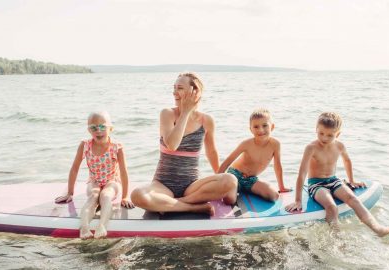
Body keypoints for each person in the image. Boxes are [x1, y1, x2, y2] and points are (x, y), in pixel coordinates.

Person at [130, 72, 238, 215]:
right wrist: (185, 112)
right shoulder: (167, 114)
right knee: (137, 195)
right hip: (162, 185)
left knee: (230, 180)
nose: (174, 92)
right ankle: (193, 207)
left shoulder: (207, 120)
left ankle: (177, 203)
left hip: (191, 186)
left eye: (179, 88)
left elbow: (211, 152)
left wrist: (219, 181)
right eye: (174, 88)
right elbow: (172, 145)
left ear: (195, 91)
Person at [284, 112, 389, 236]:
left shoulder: (340, 146)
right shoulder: (311, 148)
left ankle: (377, 228)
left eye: (330, 135)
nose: (324, 138)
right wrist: (298, 200)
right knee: (331, 207)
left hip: (334, 180)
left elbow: (347, 161)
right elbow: (302, 173)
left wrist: (352, 181)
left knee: (353, 199)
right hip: (316, 184)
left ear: (338, 134)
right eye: (321, 133)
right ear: (316, 129)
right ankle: (337, 238)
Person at [55, 111, 134, 239]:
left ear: (111, 128)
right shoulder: (85, 145)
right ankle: (84, 228)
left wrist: (125, 197)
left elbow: (124, 172)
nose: (98, 130)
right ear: (89, 130)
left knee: (106, 195)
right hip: (94, 180)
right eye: (93, 127)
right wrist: (70, 193)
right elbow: (75, 168)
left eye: (102, 126)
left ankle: (102, 225)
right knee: (93, 196)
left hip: (112, 181)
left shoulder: (116, 147)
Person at [217, 108, 291, 201]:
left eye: (265, 125)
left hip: (251, 180)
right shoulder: (246, 144)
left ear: (272, 127)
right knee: (230, 199)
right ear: (251, 129)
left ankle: (244, 190)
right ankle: (231, 190)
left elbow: (277, 166)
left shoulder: (275, 144)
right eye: (256, 127)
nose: (261, 130)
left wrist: (281, 187)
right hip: (235, 175)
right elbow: (227, 161)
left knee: (273, 195)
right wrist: (217, 181)